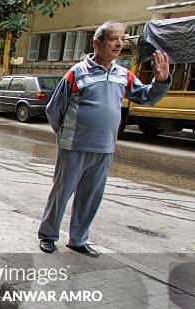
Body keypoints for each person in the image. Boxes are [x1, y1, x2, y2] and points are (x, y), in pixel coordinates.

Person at [38, 21, 170, 257]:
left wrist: (160, 82)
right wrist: (66, 134)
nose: (119, 44)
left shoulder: (123, 75)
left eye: (122, 38)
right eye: (113, 39)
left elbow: (146, 97)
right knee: (61, 192)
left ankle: (78, 240)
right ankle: (48, 236)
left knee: (90, 197)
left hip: (105, 148)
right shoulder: (77, 73)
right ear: (97, 43)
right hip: (74, 146)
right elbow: (54, 109)